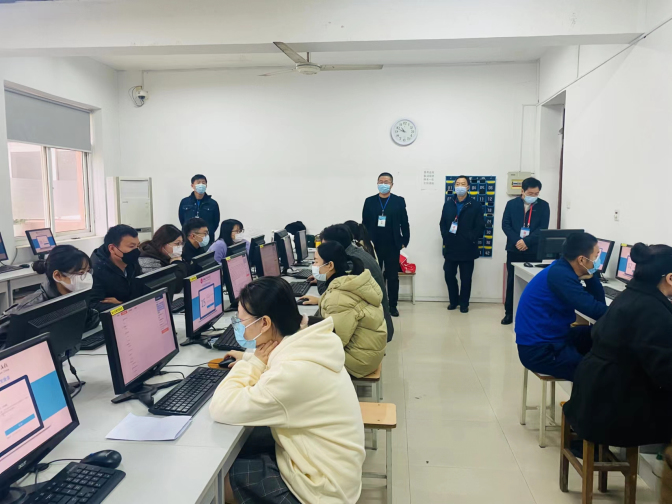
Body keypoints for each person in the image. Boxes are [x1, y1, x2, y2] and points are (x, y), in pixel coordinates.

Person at [209, 276, 365, 504]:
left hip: (320, 490)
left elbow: (222, 407)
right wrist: (252, 358)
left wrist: (251, 364)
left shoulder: (292, 372)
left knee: (216, 480)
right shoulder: (308, 343)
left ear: (264, 323)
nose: (238, 327)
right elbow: (278, 363)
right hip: (333, 468)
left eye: (241, 321)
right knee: (249, 442)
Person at [564, 243, 672, 448]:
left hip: (592, 391)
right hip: (612, 405)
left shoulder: (629, 295)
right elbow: (663, 370)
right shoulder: (653, 309)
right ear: (670, 278)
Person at [515, 232, 607, 381]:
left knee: (600, 334)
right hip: (539, 350)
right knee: (596, 373)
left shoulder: (563, 268)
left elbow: (599, 306)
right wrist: (629, 316)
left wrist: (591, 278)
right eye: (596, 256)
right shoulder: (561, 276)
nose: (598, 261)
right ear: (582, 260)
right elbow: (595, 310)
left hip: (555, 336)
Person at [300, 241, 386, 377]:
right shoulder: (350, 280)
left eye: (315, 261)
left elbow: (336, 341)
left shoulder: (338, 297)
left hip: (359, 361)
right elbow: (347, 307)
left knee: (299, 353)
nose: (313, 266)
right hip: (369, 351)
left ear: (330, 265)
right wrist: (321, 300)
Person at [0, 245, 99, 344]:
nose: (87, 277)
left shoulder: (77, 296)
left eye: (88, 271)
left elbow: (91, 320)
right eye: (81, 273)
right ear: (58, 275)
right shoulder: (29, 307)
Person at [319, 224, 394, 342]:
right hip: (377, 323)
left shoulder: (351, 264)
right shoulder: (356, 253)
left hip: (372, 332)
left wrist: (321, 270)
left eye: (324, 246)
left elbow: (325, 291)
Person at [501, 177, 550, 325]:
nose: (533, 196)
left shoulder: (544, 206)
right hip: (514, 249)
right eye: (530, 193)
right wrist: (517, 241)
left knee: (533, 283)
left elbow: (543, 228)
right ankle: (509, 313)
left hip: (533, 250)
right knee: (512, 281)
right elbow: (506, 225)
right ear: (522, 191)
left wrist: (526, 241)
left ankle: (531, 314)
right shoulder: (511, 204)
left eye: (536, 193)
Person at [362, 172, 410, 317]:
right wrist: (364, 241)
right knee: (373, 275)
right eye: (381, 181)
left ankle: (392, 305)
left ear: (392, 185)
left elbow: (404, 222)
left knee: (392, 276)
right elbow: (364, 223)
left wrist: (404, 240)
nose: (383, 184)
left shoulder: (398, 201)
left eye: (386, 181)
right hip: (374, 245)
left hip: (392, 244)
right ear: (377, 183)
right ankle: (375, 304)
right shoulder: (369, 201)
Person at [439, 175, 485, 313]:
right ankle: (453, 301)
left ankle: (464, 303)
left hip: (467, 248)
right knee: (449, 275)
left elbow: (480, 226)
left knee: (466, 278)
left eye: (463, 184)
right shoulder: (448, 204)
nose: (460, 186)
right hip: (451, 247)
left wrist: (471, 237)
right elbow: (442, 223)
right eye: (457, 184)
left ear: (468, 187)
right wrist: (446, 237)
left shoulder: (475, 205)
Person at [90, 225, 141, 312]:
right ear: (112, 249)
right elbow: (94, 306)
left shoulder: (132, 262)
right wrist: (122, 306)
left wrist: (123, 304)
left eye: (138, 246)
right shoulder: (96, 270)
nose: (136, 250)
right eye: (131, 246)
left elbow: (139, 290)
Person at [138, 224, 189, 293]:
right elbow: (173, 286)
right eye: (177, 244)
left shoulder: (168, 256)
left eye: (181, 244)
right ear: (162, 243)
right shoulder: (148, 261)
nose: (180, 247)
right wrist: (177, 262)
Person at [178, 174, 220, 243]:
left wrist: (205, 232)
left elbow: (215, 222)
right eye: (198, 183)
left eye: (203, 183)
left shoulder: (213, 203)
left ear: (206, 185)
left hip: (206, 239)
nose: (201, 185)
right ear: (192, 185)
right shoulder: (185, 202)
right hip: (189, 238)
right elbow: (182, 219)